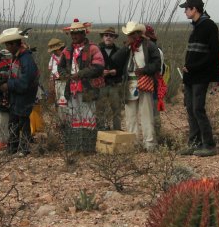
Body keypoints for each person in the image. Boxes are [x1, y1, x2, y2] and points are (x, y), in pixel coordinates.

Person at [178, 0, 219, 157]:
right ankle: (194, 143)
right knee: (190, 108)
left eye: (186, 9)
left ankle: (209, 145)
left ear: (194, 9)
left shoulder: (209, 26)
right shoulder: (196, 26)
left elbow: (213, 53)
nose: (185, 12)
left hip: (201, 76)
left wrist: (193, 67)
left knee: (198, 109)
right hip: (190, 77)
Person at [111, 21, 160, 151]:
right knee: (130, 116)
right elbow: (115, 60)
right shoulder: (127, 48)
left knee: (146, 114)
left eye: (132, 34)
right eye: (129, 34)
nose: (130, 36)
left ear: (138, 33)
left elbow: (157, 63)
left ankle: (149, 144)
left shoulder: (149, 45)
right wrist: (127, 47)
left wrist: (144, 70)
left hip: (144, 81)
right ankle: (133, 143)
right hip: (129, 83)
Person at [57, 19, 104, 151]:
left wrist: (81, 74)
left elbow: (99, 67)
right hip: (71, 88)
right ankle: (75, 146)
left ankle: (88, 147)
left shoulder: (93, 49)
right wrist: (66, 75)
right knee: (74, 116)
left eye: (77, 33)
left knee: (88, 115)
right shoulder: (67, 50)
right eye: (72, 33)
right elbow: (60, 67)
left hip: (88, 88)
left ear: (84, 33)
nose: (74, 36)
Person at [0, 28, 40, 156]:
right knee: (14, 121)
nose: (7, 47)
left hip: (25, 95)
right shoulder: (17, 57)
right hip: (17, 95)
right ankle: (12, 148)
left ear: (14, 44)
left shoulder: (25, 58)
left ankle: (24, 149)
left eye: (8, 44)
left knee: (22, 121)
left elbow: (25, 81)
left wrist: (8, 85)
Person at [96, 27, 123, 130]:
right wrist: (100, 72)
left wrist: (116, 71)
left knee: (116, 110)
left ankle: (117, 132)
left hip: (114, 85)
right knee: (100, 110)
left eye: (111, 36)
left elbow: (123, 68)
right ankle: (100, 131)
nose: (108, 37)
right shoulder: (96, 50)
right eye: (106, 35)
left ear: (114, 38)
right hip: (100, 84)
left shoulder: (119, 51)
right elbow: (92, 66)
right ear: (103, 37)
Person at [47, 37, 67, 119]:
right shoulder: (53, 57)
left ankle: (68, 121)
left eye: (55, 50)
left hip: (65, 82)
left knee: (65, 103)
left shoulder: (67, 55)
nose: (54, 52)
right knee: (58, 103)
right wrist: (51, 83)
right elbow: (52, 71)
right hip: (57, 82)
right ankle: (61, 121)